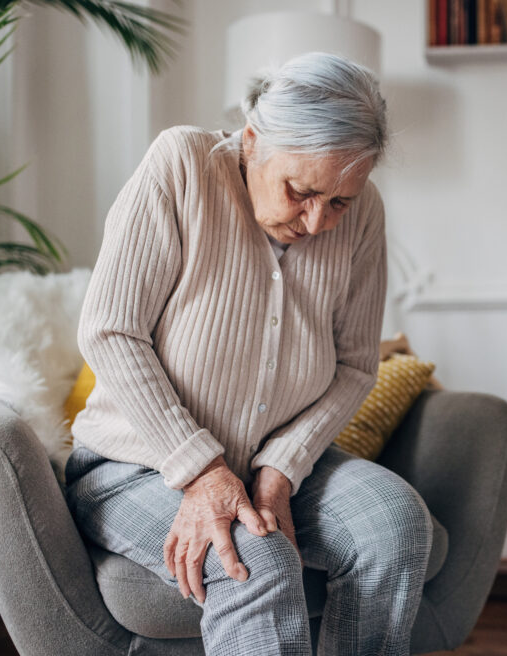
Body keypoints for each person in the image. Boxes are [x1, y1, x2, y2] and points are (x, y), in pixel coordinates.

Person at [64, 52, 434, 656]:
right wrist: (203, 470)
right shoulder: (182, 162)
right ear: (254, 139)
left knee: (395, 524)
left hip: (278, 466)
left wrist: (283, 465)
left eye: (339, 201)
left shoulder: (365, 214)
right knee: (249, 556)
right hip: (134, 467)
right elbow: (110, 329)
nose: (317, 222)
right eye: (301, 191)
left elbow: (356, 365)